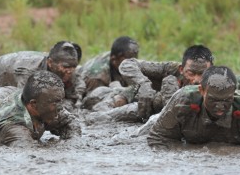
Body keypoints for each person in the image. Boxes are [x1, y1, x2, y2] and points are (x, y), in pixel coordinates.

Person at [146, 66, 240, 148]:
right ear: (201, 91)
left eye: (227, 100)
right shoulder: (183, 99)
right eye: (213, 99)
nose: (220, 106)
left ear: (234, 92)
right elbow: (157, 138)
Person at [0, 71, 80, 146]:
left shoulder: (49, 108)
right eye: (56, 102)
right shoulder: (12, 125)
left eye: (61, 100)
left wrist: (71, 143)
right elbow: (29, 154)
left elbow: (72, 124)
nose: (61, 107)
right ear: (33, 105)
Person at [83, 45, 214, 121]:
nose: (196, 80)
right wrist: (144, 84)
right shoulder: (170, 69)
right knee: (102, 113)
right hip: (140, 98)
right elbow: (128, 64)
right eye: (191, 73)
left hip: (161, 108)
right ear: (182, 69)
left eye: (202, 74)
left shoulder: (218, 81)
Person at [0, 41, 85, 107]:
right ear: (50, 63)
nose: (69, 71)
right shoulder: (29, 71)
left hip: (15, 75)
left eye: (73, 67)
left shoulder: (69, 70)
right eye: (65, 67)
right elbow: (22, 102)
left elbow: (77, 89)